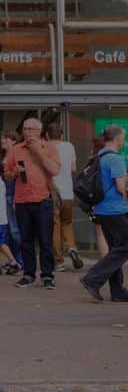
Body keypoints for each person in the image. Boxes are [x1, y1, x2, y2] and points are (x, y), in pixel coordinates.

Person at [4, 117, 61, 290]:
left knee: (45, 240)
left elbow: (55, 170)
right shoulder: (15, 149)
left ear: (39, 131)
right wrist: (13, 172)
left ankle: (47, 276)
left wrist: (39, 152)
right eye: (25, 129)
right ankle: (28, 274)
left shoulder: (49, 147)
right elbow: (5, 173)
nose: (28, 132)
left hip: (43, 199)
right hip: (22, 200)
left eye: (31, 129)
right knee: (25, 240)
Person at [80, 125, 128, 302]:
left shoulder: (98, 156)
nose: (123, 141)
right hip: (116, 209)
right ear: (117, 139)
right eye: (123, 138)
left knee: (116, 249)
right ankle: (92, 279)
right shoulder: (115, 158)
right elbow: (121, 187)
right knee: (124, 248)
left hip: (101, 209)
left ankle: (117, 291)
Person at [47, 123, 81, 271]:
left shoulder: (45, 147)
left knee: (55, 226)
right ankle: (72, 248)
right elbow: (73, 168)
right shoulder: (69, 146)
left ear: (47, 135)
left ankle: (59, 261)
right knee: (67, 222)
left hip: (53, 192)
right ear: (62, 135)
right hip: (68, 192)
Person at [0, 131, 24, 268]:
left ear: (13, 140)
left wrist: (15, 198)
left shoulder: (16, 155)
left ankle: (20, 260)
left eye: (5, 138)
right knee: (9, 229)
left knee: (14, 229)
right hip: (6, 195)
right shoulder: (8, 155)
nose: (2, 140)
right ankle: (14, 259)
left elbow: (16, 177)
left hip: (11, 195)